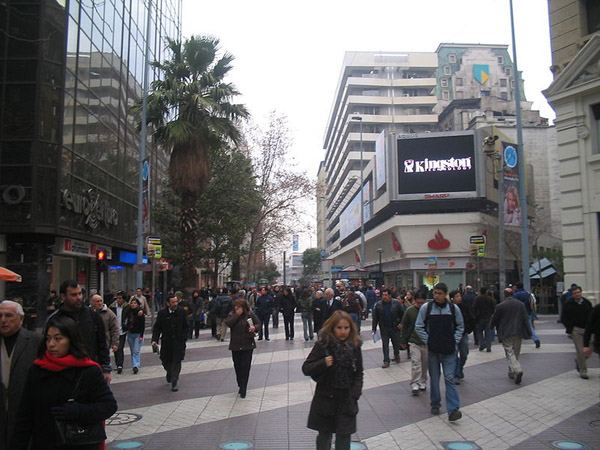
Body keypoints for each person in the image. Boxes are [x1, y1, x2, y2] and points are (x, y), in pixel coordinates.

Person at [11, 315, 117, 450]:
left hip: (79, 443)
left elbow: (108, 406)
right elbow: (25, 415)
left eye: (58, 338)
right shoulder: (37, 369)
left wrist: (78, 412)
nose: (51, 344)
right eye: (48, 338)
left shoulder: (89, 370)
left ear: (71, 340)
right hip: (44, 443)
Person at [302, 311, 363, 450]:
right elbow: (306, 368)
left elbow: (359, 372)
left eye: (346, 328)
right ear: (332, 328)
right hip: (326, 398)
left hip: (346, 398)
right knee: (324, 435)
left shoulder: (354, 346)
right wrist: (323, 363)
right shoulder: (323, 345)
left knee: (344, 436)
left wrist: (355, 394)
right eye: (339, 328)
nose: (343, 332)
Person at [415, 283, 464, 421]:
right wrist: (428, 341)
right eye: (435, 293)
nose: (436, 296)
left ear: (445, 294)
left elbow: (460, 326)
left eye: (439, 293)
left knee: (449, 378)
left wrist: (455, 341)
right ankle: (435, 403)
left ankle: (453, 409)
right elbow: (419, 326)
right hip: (433, 351)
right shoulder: (427, 308)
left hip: (449, 350)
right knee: (434, 379)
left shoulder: (453, 309)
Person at [0, 301, 43, 448]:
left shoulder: (35, 341)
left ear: (21, 319)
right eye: (0, 316)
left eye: (9, 316)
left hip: (24, 416)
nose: (3, 320)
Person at [51, 280, 111, 383]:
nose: (78, 298)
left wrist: (105, 369)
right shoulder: (55, 319)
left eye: (80, 294)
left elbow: (102, 343)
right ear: (63, 296)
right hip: (64, 373)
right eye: (73, 295)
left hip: (90, 370)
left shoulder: (93, 316)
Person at [491, 288, 532, 384]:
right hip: (518, 331)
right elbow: (525, 319)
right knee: (516, 352)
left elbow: (495, 319)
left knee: (509, 352)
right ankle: (512, 370)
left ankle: (517, 370)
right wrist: (529, 332)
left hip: (506, 332)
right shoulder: (520, 305)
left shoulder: (500, 306)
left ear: (504, 295)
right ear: (512, 294)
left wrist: (490, 327)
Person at [152, 296, 189, 392]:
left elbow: (186, 326)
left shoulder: (182, 312)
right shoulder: (162, 313)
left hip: (178, 342)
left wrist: (185, 336)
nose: (175, 304)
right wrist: (154, 340)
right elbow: (157, 328)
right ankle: (169, 372)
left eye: (176, 302)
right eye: (173, 302)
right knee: (165, 360)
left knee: (177, 361)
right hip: (167, 342)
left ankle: (174, 381)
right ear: (168, 303)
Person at [225, 299, 260, 398]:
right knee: (238, 366)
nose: (237, 308)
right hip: (235, 345)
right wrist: (237, 315)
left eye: (239, 307)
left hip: (247, 344)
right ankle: (240, 383)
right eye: (236, 306)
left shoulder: (249, 314)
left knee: (245, 366)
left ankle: (243, 387)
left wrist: (254, 328)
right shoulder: (232, 314)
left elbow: (258, 324)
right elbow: (229, 323)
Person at [561, 285, 593, 379]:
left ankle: (579, 361)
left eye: (578, 292)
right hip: (576, 330)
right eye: (575, 293)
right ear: (572, 294)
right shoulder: (568, 303)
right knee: (580, 351)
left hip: (587, 329)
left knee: (590, 348)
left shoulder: (587, 303)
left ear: (581, 292)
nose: (577, 294)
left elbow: (591, 317)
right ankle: (583, 371)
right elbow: (564, 318)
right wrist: (570, 329)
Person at [400, 290, 428, 395]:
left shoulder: (428, 311)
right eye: (418, 303)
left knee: (425, 363)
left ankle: (423, 380)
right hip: (414, 341)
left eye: (422, 303)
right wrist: (403, 340)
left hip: (425, 342)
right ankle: (415, 383)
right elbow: (405, 325)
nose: (420, 305)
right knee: (416, 362)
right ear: (414, 301)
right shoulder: (410, 311)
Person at [372, 289, 404, 368]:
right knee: (385, 345)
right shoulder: (378, 305)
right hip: (384, 328)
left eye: (386, 295)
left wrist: (401, 323)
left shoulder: (396, 303)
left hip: (394, 327)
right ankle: (386, 360)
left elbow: (403, 314)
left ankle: (397, 355)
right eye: (383, 295)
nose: (384, 297)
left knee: (396, 344)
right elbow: (375, 317)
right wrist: (374, 328)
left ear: (389, 295)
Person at [450, 290, 473, 384]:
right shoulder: (449, 308)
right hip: (452, 335)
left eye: (459, 296)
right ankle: (456, 374)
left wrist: (468, 329)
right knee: (454, 355)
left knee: (464, 354)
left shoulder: (464, 306)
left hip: (463, 334)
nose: (459, 298)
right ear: (452, 299)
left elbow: (470, 318)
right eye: (457, 296)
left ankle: (459, 368)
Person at [89, 294, 119, 362]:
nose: (100, 303)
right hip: (90, 342)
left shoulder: (109, 313)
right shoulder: (87, 313)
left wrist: (115, 343)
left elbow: (115, 329)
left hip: (104, 342)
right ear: (92, 302)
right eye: (97, 301)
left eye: (101, 301)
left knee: (103, 361)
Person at [108, 291, 131, 374]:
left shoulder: (127, 307)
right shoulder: (112, 307)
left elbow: (131, 315)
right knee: (115, 348)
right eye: (117, 298)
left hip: (122, 330)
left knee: (120, 348)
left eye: (120, 298)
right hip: (114, 331)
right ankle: (117, 363)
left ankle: (120, 365)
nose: (118, 300)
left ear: (124, 299)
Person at [513, 282, 541, 348]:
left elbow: (515, 304)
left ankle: (515, 342)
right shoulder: (528, 293)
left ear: (517, 287)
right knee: (530, 327)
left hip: (519, 313)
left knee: (515, 327)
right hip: (528, 312)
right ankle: (536, 339)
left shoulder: (517, 295)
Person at [472, 287, 496, 352]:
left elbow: (474, 308)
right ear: (486, 291)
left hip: (479, 317)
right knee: (488, 332)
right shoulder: (491, 299)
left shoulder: (477, 299)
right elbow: (494, 308)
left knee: (479, 332)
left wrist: (475, 316)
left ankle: (482, 344)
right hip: (488, 317)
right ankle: (488, 346)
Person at [125, 298, 145, 374]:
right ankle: (134, 364)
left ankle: (135, 365)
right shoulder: (128, 312)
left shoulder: (140, 313)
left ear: (137, 304)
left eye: (135, 303)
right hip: (130, 333)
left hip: (138, 334)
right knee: (132, 351)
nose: (133, 304)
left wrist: (141, 336)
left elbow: (142, 325)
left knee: (136, 351)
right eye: (132, 303)